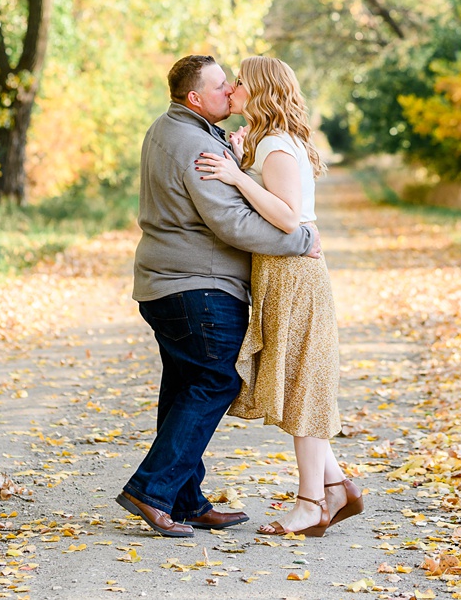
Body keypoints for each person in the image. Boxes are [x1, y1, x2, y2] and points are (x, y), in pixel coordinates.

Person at [117, 54, 321, 538]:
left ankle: (185, 500)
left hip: (167, 282)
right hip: (197, 286)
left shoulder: (171, 128)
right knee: (217, 380)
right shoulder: (193, 143)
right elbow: (231, 221)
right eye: (220, 85)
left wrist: (237, 159)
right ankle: (151, 490)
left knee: (184, 387)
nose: (229, 90)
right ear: (194, 98)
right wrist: (301, 239)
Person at [195, 55, 364, 538]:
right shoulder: (267, 140)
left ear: (260, 90)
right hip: (280, 273)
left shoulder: (275, 144)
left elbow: (289, 218)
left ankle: (311, 503)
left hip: (295, 274)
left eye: (239, 82)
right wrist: (241, 158)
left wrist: (236, 177)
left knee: (303, 384)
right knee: (298, 380)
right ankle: (336, 487)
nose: (232, 89)